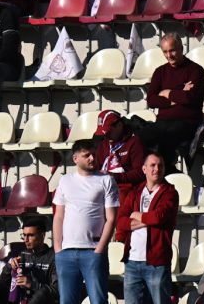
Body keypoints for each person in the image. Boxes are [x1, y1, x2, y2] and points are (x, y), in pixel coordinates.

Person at [53, 139, 118, 304]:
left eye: (94, 155)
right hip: (66, 252)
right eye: (87, 155)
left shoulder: (106, 180)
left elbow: (111, 218)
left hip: (92, 251)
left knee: (98, 300)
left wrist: (100, 249)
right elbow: (58, 216)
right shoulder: (65, 180)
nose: (92, 158)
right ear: (75, 159)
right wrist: (58, 248)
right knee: (67, 301)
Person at [136, 34, 204, 168]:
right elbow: (151, 100)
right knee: (137, 139)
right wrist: (178, 94)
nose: (169, 55)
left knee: (166, 139)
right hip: (162, 122)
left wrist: (167, 93)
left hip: (187, 123)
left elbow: (189, 98)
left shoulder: (196, 70)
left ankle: (167, 176)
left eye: (172, 50)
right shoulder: (160, 72)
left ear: (181, 48)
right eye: (165, 52)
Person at [122, 153, 178, 304]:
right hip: (132, 261)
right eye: (153, 165)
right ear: (144, 169)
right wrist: (149, 219)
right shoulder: (134, 193)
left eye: (160, 165)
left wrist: (137, 215)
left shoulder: (170, 193)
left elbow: (159, 216)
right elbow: (121, 222)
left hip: (157, 262)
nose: (157, 169)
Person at [91, 110, 146, 241]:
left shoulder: (134, 142)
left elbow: (140, 173)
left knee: (119, 200)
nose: (107, 136)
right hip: (102, 186)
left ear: (119, 126)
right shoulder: (103, 144)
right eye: (104, 133)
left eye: (109, 132)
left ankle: (120, 242)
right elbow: (97, 168)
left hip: (125, 188)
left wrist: (114, 177)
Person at [0, 216, 58, 304]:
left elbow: (56, 291)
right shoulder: (23, 254)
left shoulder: (53, 257)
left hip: (42, 300)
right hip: (22, 299)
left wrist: (32, 284)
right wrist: (9, 267)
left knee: (41, 293)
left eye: (31, 235)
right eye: (24, 235)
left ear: (42, 235)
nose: (26, 240)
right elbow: (3, 283)